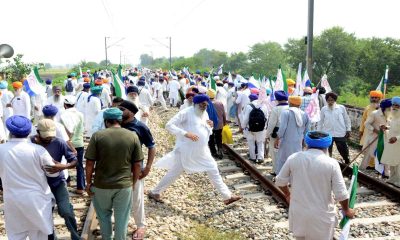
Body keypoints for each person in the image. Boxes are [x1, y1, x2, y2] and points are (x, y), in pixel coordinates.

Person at [149, 94, 241, 205]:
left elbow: (206, 130)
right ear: (196, 104)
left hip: (202, 150)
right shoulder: (186, 113)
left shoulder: (204, 113)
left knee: (213, 168)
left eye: (206, 104)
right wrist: (185, 133)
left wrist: (210, 126)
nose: (204, 106)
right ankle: (155, 192)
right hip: (186, 150)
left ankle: (227, 196)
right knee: (175, 172)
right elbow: (169, 125)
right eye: (202, 104)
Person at [276, 131, 355, 240]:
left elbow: (280, 181)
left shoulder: (294, 158)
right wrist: (346, 210)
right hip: (321, 216)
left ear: (307, 143)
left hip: (299, 213)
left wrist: (288, 195)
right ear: (327, 146)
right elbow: (341, 193)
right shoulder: (331, 163)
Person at [85, 108, 144, 240]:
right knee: (122, 218)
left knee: (104, 215)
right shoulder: (132, 136)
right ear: (120, 120)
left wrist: (88, 183)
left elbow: (89, 163)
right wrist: (133, 183)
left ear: (106, 121)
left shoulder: (98, 136)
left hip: (101, 185)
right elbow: (138, 164)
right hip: (123, 186)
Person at [0, 116, 55, 239]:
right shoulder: (38, 150)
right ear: (29, 132)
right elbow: (53, 173)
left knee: (16, 235)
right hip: (37, 201)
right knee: (39, 234)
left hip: (13, 200)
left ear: (10, 132)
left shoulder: (1, 150)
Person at [31, 119, 80, 240]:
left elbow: (74, 161)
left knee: (66, 211)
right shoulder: (30, 143)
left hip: (57, 182)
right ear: (38, 132)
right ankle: (51, 237)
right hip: (39, 185)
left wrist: (63, 166)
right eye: (45, 136)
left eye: (50, 136)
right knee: (45, 215)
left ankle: (75, 236)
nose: (49, 139)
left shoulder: (59, 142)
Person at [118, 100, 156, 240]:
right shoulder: (116, 124)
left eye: (122, 109)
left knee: (136, 198)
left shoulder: (140, 127)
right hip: (117, 168)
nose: (119, 112)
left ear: (131, 112)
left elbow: (151, 147)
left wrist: (148, 167)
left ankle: (141, 225)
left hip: (135, 168)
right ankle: (122, 223)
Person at [275, 96, 310, 174]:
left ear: (290, 102)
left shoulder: (286, 112)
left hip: (286, 142)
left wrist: (277, 138)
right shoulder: (304, 114)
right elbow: (307, 130)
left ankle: (281, 178)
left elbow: (282, 128)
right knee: (296, 160)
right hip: (298, 142)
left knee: (283, 160)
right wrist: (305, 142)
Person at [60, 95, 85, 194]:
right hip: (78, 143)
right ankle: (81, 188)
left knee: (63, 164)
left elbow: (66, 131)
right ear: (74, 104)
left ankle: (66, 184)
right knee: (79, 166)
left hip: (66, 144)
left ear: (65, 105)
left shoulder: (62, 115)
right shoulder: (80, 114)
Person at [318, 92, 351, 163]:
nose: (330, 102)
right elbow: (320, 122)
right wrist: (319, 132)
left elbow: (346, 119)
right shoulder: (324, 109)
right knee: (327, 149)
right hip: (327, 133)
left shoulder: (341, 108)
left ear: (335, 100)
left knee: (343, 148)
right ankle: (327, 163)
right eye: (328, 100)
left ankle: (346, 160)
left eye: (332, 100)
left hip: (340, 132)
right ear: (326, 101)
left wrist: (348, 129)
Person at [360, 98, 392, 171]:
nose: (391, 109)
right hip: (373, 138)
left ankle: (386, 173)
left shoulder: (390, 114)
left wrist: (387, 128)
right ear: (385, 107)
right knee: (368, 155)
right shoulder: (374, 113)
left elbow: (391, 125)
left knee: (385, 155)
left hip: (385, 138)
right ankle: (361, 170)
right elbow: (366, 124)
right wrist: (375, 130)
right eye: (389, 108)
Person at [266, 91, 289, 175]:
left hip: (276, 134)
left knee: (275, 153)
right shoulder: (290, 107)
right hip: (288, 134)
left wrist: (267, 134)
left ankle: (276, 171)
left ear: (277, 99)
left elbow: (271, 124)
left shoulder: (276, 109)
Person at [241, 94, 268, 163]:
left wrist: (243, 126)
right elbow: (266, 118)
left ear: (250, 99)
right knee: (260, 142)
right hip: (261, 128)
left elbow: (245, 119)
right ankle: (260, 157)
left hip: (250, 128)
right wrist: (264, 127)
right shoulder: (264, 106)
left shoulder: (248, 106)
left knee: (251, 142)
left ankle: (252, 157)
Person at [359, 90, 383, 169]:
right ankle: (368, 164)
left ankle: (373, 165)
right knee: (366, 147)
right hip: (367, 132)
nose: (374, 99)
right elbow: (363, 120)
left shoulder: (383, 108)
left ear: (380, 98)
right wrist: (361, 130)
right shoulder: (368, 108)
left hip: (378, 132)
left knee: (375, 148)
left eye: (376, 97)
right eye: (372, 97)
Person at [381, 97, 400, 186]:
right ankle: (392, 178)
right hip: (392, 143)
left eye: (397, 106)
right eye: (393, 105)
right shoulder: (394, 117)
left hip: (398, 144)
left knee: (398, 163)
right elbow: (394, 128)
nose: (394, 107)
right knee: (392, 161)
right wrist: (386, 127)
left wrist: (396, 138)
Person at [207, 89, 226, 159]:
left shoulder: (206, 103)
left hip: (209, 125)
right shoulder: (219, 103)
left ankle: (214, 153)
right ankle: (220, 150)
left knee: (211, 138)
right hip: (219, 124)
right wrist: (224, 122)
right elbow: (224, 114)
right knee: (219, 138)